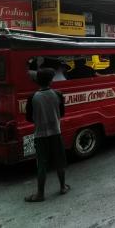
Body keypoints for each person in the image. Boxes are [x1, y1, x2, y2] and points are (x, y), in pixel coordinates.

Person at [25, 68, 69, 202]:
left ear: (37, 81)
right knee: (59, 161)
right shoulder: (58, 94)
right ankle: (62, 187)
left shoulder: (32, 97)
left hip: (40, 135)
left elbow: (29, 118)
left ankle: (40, 194)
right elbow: (62, 114)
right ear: (51, 81)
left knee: (42, 165)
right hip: (56, 132)